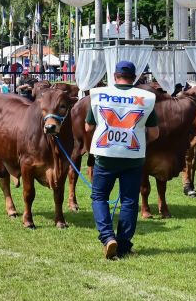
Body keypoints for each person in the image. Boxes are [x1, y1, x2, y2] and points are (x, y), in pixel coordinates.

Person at [86, 61, 158, 259]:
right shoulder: (147, 98)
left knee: (99, 197)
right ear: (134, 77)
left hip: (105, 155)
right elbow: (155, 133)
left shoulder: (97, 94)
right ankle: (124, 245)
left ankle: (108, 237)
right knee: (129, 201)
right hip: (133, 155)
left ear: (114, 75)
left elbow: (87, 127)